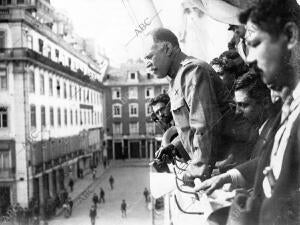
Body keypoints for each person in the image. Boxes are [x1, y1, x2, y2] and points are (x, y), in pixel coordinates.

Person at [198, 1, 300, 224]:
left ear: (291, 35)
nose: (249, 58)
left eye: (255, 43)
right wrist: (230, 176)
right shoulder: (291, 103)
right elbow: (274, 163)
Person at [144, 27, 226, 180]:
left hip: (227, 162)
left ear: (167, 49)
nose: (147, 65)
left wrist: (196, 171)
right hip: (216, 164)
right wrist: (175, 147)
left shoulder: (192, 71)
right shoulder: (178, 78)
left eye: (150, 57)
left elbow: (204, 128)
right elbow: (190, 128)